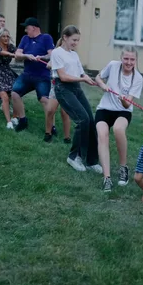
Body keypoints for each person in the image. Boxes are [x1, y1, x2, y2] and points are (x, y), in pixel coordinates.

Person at [53, 25, 102, 174]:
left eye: (78, 40)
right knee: (82, 120)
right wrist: (82, 80)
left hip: (75, 88)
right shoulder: (57, 53)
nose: (75, 43)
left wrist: (90, 79)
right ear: (65, 37)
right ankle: (74, 157)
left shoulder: (74, 55)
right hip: (63, 88)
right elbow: (63, 76)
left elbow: (81, 73)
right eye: (74, 40)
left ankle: (92, 161)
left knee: (91, 121)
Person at [94, 47, 143, 192]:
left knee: (118, 129)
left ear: (136, 60)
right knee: (102, 135)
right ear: (121, 58)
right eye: (126, 58)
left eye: (132, 59)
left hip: (123, 110)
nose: (129, 62)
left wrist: (123, 100)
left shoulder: (138, 78)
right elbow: (98, 77)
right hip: (104, 109)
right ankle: (107, 178)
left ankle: (123, 167)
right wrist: (103, 85)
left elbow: (128, 104)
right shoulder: (113, 65)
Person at [11, 18, 54, 132]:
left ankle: (51, 127)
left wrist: (42, 57)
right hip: (27, 75)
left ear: (34, 28)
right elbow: (17, 54)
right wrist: (26, 56)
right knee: (15, 93)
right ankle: (23, 120)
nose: (25, 30)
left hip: (42, 76)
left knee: (44, 100)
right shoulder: (25, 39)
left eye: (27, 27)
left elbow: (52, 55)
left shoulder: (46, 38)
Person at [44, 36, 72, 144]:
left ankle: (67, 137)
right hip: (55, 86)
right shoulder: (55, 55)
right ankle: (48, 133)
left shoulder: (71, 56)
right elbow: (48, 65)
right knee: (50, 110)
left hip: (67, 87)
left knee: (65, 112)